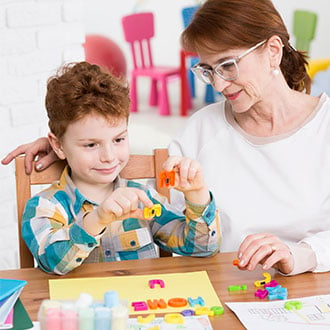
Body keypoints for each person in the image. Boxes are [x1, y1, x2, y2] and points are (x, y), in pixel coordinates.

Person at [2, 0, 329, 276]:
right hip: (226, 292)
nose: (217, 84)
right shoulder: (201, 129)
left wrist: (302, 255)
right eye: (207, 70)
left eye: (227, 65)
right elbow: (169, 207)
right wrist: (67, 147)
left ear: (273, 50)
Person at [8, 62, 220, 275]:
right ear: (58, 146)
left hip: (140, 304)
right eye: (91, 145)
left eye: (118, 139)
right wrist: (97, 218)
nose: (108, 157)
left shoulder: (144, 198)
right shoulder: (45, 206)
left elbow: (201, 248)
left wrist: (197, 195)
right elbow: (53, 261)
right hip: (78, 307)